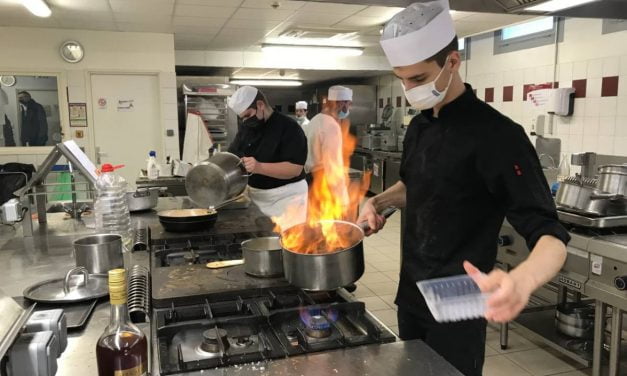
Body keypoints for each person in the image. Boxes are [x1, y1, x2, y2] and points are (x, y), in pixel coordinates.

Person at [356, 2, 570, 375]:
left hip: (459, 305)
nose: (408, 89)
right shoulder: (421, 127)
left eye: (419, 79)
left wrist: (522, 281)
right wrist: (378, 201)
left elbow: (550, 234)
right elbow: (417, 185)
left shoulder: (498, 136)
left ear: (452, 62)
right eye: (402, 78)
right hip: (412, 293)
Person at [227, 86, 308, 230]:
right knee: (262, 240)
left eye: (248, 115)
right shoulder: (247, 129)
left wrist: (259, 167)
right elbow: (232, 156)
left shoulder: (289, 128)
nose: (245, 121)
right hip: (257, 197)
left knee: (287, 242)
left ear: (260, 105)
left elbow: (295, 169)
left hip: (288, 198)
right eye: (242, 118)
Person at [302, 86, 352, 203]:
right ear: (341, 104)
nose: (348, 108)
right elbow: (333, 165)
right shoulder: (331, 126)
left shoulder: (315, 120)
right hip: (323, 183)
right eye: (348, 104)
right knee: (326, 220)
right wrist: (342, 198)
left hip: (309, 178)